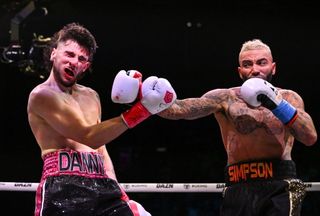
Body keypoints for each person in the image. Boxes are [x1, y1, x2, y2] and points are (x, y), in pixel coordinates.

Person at [27, 22, 176, 216]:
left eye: (81, 59)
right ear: (54, 53)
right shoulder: (41, 96)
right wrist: (143, 109)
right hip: (63, 186)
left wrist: (115, 186)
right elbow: (88, 136)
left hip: (102, 184)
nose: (74, 62)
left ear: (86, 66)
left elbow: (100, 148)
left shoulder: (92, 96)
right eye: (69, 54)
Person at [157, 39, 318, 215]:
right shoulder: (224, 98)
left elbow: (309, 137)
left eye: (261, 63)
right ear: (240, 71)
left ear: (273, 67)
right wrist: (146, 98)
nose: (255, 69)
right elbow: (178, 109)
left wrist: (276, 103)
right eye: (247, 64)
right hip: (237, 184)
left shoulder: (289, 98)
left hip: (280, 186)